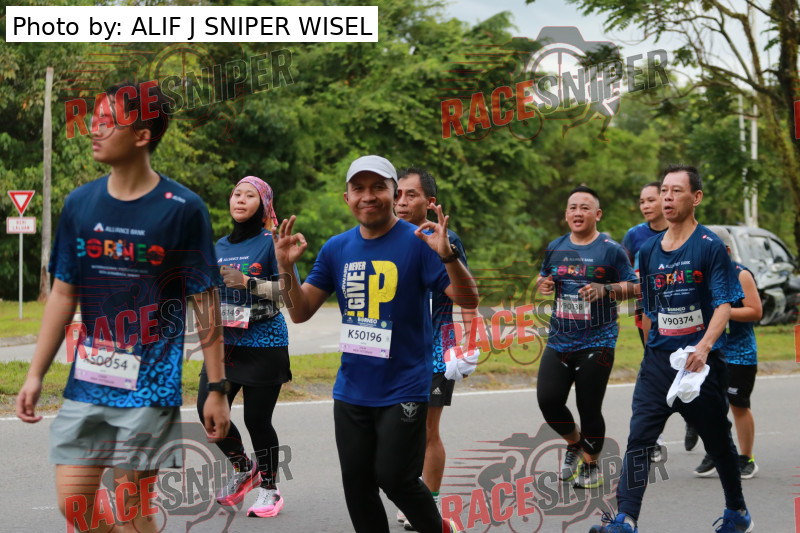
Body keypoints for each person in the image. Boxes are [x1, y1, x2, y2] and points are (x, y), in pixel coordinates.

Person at [16, 80, 230, 533]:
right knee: (74, 503)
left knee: (134, 510)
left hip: (151, 382)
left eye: (107, 121)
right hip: (91, 377)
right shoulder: (81, 203)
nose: (94, 129)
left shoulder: (183, 209)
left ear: (142, 135)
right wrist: (35, 374)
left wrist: (217, 387)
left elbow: (205, 300)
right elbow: (63, 293)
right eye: (94, 119)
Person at [272, 155, 478, 533]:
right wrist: (286, 267)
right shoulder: (336, 248)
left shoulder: (420, 242)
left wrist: (448, 255)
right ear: (347, 198)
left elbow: (468, 298)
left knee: (395, 477)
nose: (368, 196)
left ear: (393, 194)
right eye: (359, 189)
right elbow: (299, 312)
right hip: (352, 388)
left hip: (404, 385)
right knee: (357, 483)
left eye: (378, 187)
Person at [590, 165, 753, 533]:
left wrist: (704, 348)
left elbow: (725, 304)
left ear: (696, 198)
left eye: (676, 191)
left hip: (701, 364)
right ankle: (625, 519)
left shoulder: (709, 246)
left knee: (718, 442)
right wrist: (650, 351)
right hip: (658, 363)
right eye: (664, 190)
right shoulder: (648, 251)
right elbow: (650, 308)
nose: (667, 197)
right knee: (639, 439)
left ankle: (737, 511)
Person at [196, 176, 292, 517]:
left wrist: (247, 282)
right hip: (225, 345)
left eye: (250, 195)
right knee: (206, 411)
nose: (240, 199)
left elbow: (288, 293)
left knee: (256, 419)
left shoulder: (272, 242)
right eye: (236, 193)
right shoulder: (219, 246)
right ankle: (243, 468)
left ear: (263, 205)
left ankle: (270, 489)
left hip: (265, 342)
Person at [535, 185, 637, 490]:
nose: (577, 212)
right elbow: (543, 276)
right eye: (573, 207)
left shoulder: (610, 250)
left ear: (597, 214)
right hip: (559, 340)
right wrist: (543, 284)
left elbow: (635, 286)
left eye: (584, 207)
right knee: (549, 402)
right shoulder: (556, 246)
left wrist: (605, 289)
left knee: (588, 406)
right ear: (566, 214)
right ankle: (575, 443)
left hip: (598, 341)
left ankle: (591, 467)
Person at [393, 168, 476, 531]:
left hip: (435, 353)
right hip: (394, 352)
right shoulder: (386, 235)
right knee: (395, 428)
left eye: (410, 195)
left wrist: (469, 344)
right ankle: (409, 490)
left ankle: (430, 500)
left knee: (427, 429)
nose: (401, 202)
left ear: (430, 202)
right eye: (397, 194)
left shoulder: (445, 238)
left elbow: (466, 296)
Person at [693, 226, 761, 480]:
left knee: (738, 404)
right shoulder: (701, 277)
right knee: (708, 404)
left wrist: (723, 312)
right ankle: (716, 450)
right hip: (711, 350)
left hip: (740, 354)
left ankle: (746, 457)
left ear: (727, 251)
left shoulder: (741, 275)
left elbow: (755, 311)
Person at [621, 182, 670, 462]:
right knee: (654, 369)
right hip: (645, 311)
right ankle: (655, 440)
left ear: (664, 199)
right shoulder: (634, 235)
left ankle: (694, 419)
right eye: (642, 201)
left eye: (651, 200)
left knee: (684, 367)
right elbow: (623, 271)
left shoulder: (679, 230)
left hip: (680, 310)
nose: (646, 206)